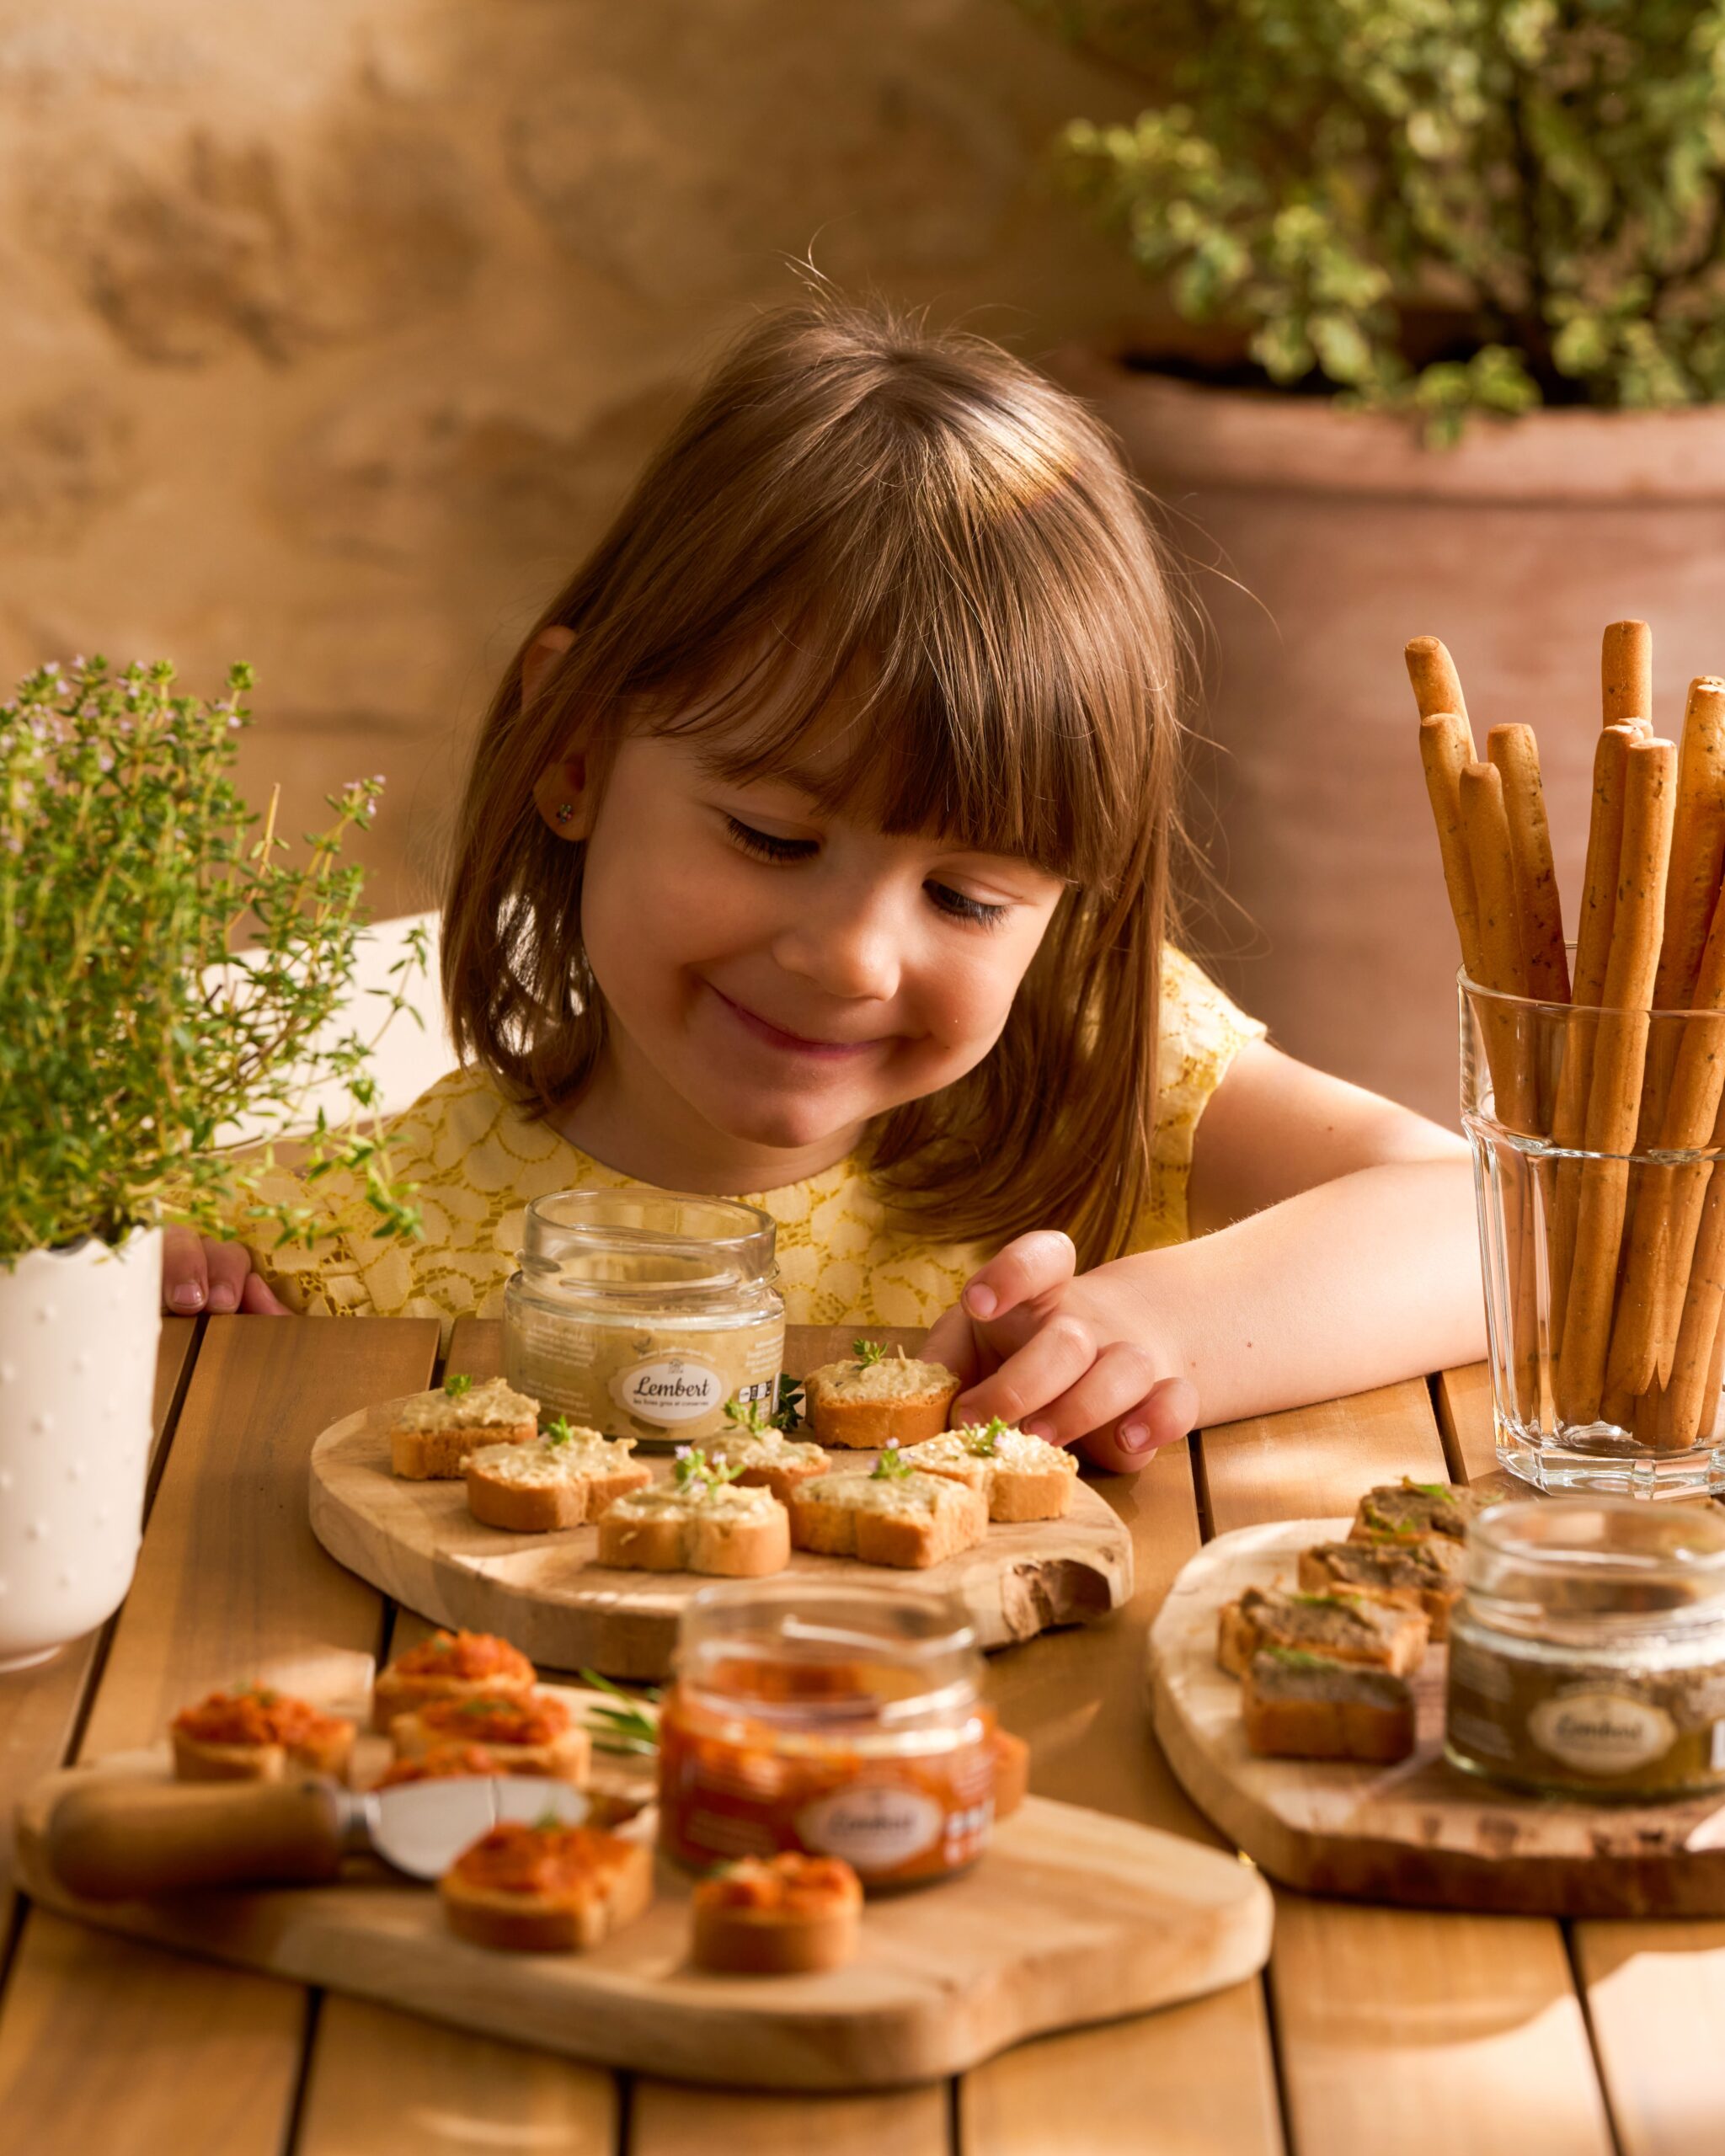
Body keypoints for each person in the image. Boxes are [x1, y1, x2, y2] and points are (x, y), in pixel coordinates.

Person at [163, 300, 1484, 1471]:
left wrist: (1168, 1324)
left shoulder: (1104, 1082)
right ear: (575, 754)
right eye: (773, 839)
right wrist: (94, 1292)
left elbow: (1491, 1221)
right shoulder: (318, 1250)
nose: (857, 956)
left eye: (967, 900)